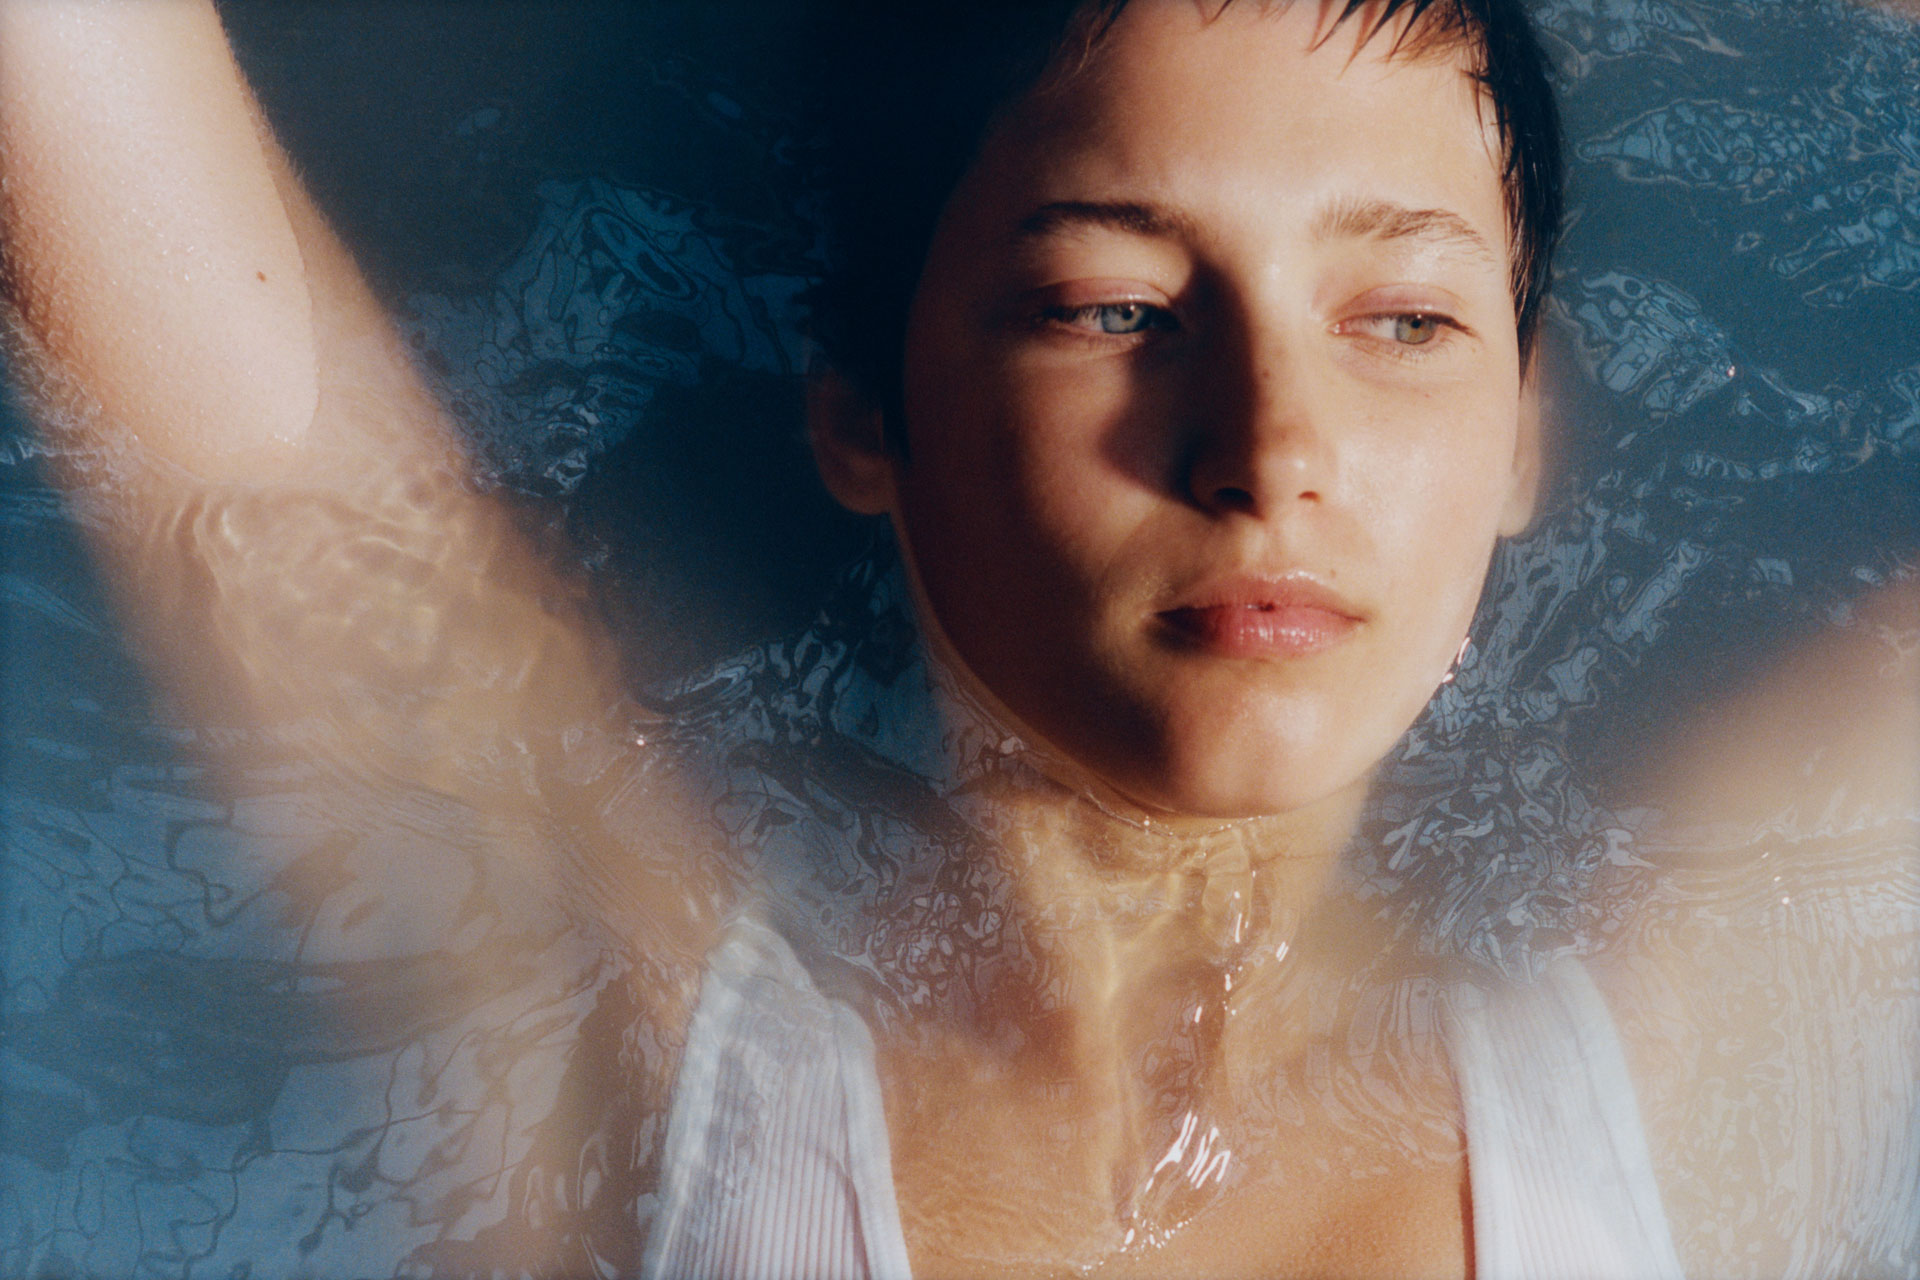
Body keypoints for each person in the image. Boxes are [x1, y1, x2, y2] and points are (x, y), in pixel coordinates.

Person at [0, 1, 1912, 1277]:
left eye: (1402, 318)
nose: (1272, 453)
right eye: (1109, 304)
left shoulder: (1706, 1042)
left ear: (1528, 429)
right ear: (859, 412)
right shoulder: (639, 1050)